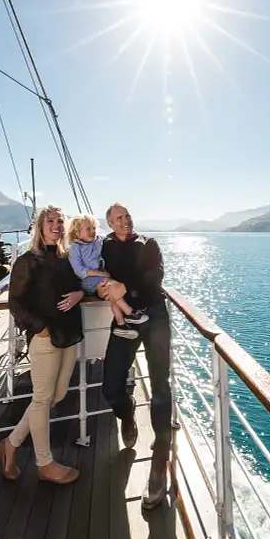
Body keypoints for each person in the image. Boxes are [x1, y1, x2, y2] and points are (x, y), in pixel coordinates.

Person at [0, 205, 85, 485]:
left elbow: (81, 284)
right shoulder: (28, 261)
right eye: (51, 221)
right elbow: (16, 304)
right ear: (40, 226)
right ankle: (44, 463)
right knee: (42, 398)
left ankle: (9, 444)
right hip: (46, 338)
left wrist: (80, 293)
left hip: (69, 335)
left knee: (54, 397)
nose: (57, 225)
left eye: (60, 221)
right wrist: (40, 329)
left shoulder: (67, 257)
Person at [98, 202, 172, 509]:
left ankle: (159, 463)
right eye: (118, 218)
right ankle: (127, 415)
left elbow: (156, 276)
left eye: (127, 216)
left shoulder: (149, 243)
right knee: (111, 385)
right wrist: (101, 289)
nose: (125, 221)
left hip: (154, 316)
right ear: (110, 224)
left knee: (159, 387)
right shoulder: (104, 247)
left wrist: (123, 287)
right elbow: (94, 275)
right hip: (125, 320)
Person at [66, 214, 147, 339]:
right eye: (88, 229)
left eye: (94, 228)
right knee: (110, 286)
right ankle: (130, 312)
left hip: (102, 278)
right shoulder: (75, 248)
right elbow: (79, 271)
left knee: (112, 294)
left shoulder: (98, 241)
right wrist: (99, 273)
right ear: (77, 232)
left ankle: (121, 325)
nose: (92, 231)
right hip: (87, 281)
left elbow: (112, 242)